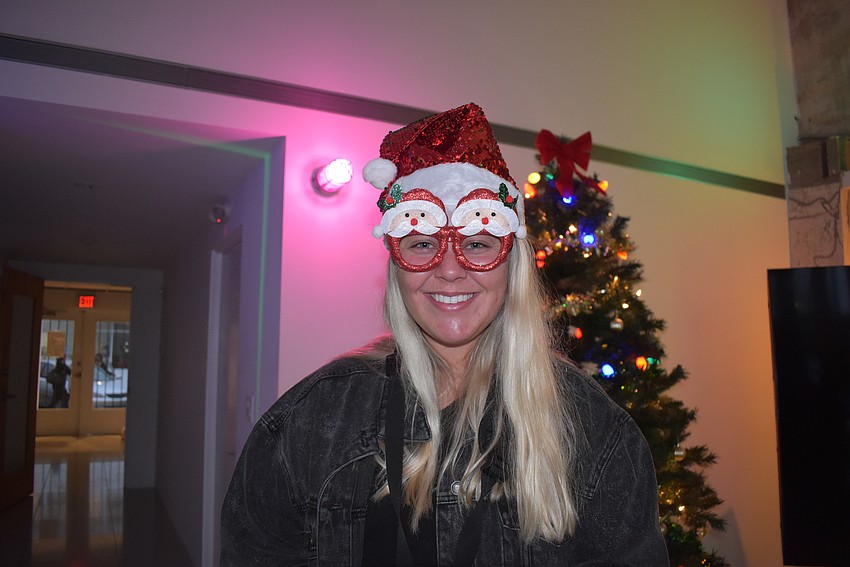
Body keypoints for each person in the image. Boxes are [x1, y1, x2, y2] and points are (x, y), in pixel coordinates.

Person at [220, 103, 669, 566]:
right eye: (422, 244)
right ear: (397, 267)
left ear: (510, 264)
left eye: (477, 243)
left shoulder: (592, 427)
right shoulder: (312, 419)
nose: (450, 270)